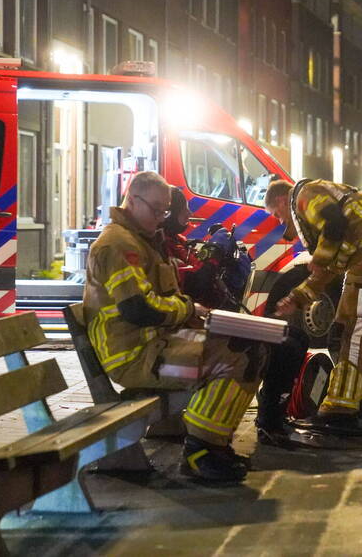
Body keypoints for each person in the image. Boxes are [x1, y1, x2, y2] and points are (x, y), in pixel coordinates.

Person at [83, 171, 263, 483]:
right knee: (238, 355)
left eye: (165, 211)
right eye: (156, 210)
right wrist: (188, 308)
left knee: (248, 346)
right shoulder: (118, 245)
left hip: (157, 348)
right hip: (137, 359)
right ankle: (201, 450)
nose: (162, 218)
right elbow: (138, 308)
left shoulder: (141, 240)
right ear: (133, 199)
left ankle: (211, 446)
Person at [158, 188, 308, 450]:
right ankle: (264, 424)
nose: (190, 215)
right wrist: (213, 261)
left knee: (294, 336)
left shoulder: (177, 241)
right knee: (274, 345)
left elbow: (203, 283)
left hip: (206, 319)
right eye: (185, 212)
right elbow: (187, 286)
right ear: (168, 213)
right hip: (191, 327)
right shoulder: (160, 246)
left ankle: (274, 417)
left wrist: (228, 261)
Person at [265, 177, 362, 434]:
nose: (281, 222)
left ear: (283, 201)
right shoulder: (340, 218)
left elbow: (334, 224)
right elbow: (330, 266)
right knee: (359, 329)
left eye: (278, 215)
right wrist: (297, 298)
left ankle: (340, 409)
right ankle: (357, 400)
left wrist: (318, 257)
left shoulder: (305, 194)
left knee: (353, 330)